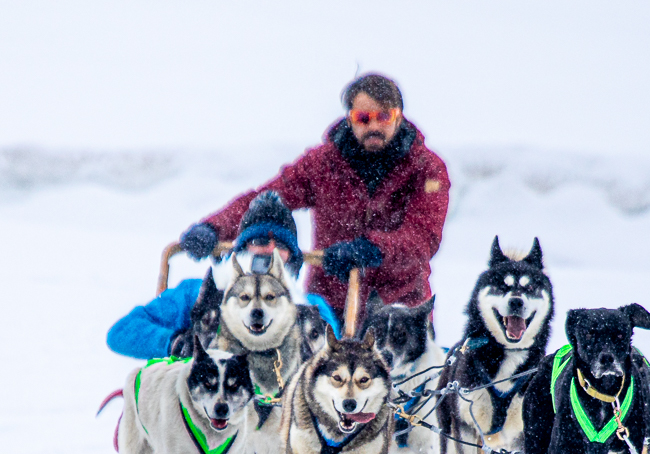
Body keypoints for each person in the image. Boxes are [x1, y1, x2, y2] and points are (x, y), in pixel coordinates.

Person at [178, 73, 450, 320]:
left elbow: (423, 237)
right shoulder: (323, 164)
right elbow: (267, 199)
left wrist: (370, 249)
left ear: (399, 117)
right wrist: (213, 228)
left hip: (398, 309)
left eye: (384, 117)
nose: (374, 126)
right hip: (330, 307)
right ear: (350, 119)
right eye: (363, 118)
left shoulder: (426, 169)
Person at [107, 191, 339, 360]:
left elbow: (332, 357)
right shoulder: (197, 294)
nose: (270, 250)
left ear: (292, 260)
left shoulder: (311, 307)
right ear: (242, 251)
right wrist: (175, 343)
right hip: (204, 405)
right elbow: (122, 332)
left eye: (280, 244)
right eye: (259, 241)